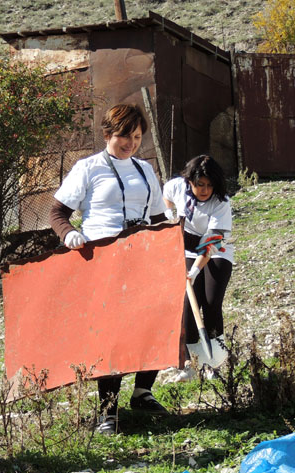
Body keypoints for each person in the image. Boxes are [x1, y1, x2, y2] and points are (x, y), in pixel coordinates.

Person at [49, 103, 171, 435]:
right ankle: (107, 412)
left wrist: (173, 239)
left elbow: (159, 217)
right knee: (112, 336)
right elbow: (57, 212)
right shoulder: (88, 168)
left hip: (144, 257)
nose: (130, 143)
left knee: (155, 323)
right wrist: (70, 233)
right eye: (123, 136)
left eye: (136, 136)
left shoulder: (145, 170)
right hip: (105, 261)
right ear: (108, 134)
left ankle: (143, 393)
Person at [163, 154, 233, 357]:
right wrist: (168, 213)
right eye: (200, 184)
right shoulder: (178, 186)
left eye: (210, 185)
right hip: (187, 246)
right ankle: (193, 360)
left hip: (217, 249)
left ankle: (217, 360)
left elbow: (212, 243)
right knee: (188, 304)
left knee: (211, 302)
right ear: (189, 181)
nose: (205, 190)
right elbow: (166, 196)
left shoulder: (221, 203)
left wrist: (194, 271)